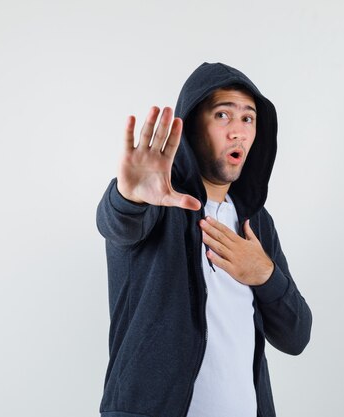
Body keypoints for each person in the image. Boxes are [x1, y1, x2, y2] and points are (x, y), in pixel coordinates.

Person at [96, 62, 312, 417]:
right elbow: (117, 224)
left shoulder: (255, 221)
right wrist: (127, 197)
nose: (238, 132)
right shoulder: (157, 200)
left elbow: (296, 336)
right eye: (223, 115)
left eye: (248, 118)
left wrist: (265, 276)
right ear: (192, 126)